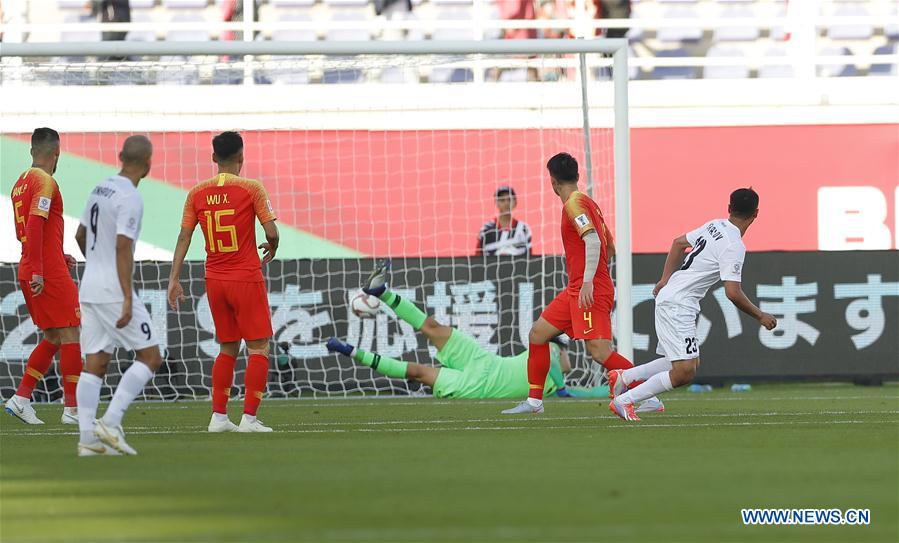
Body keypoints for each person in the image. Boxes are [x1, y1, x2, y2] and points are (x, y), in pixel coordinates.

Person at [327, 259, 664, 412]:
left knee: (417, 371)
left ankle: (350, 350)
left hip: (478, 387)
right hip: (484, 360)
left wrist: (564, 390)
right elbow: (555, 355)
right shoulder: (543, 360)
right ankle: (381, 291)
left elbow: (581, 388)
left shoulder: (557, 386)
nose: (564, 354)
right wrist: (559, 355)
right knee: (432, 327)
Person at [608, 188, 778, 421]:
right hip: (679, 304)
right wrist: (760, 316)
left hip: (675, 299)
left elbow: (678, 243)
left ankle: (625, 378)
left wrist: (665, 279)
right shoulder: (734, 245)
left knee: (680, 360)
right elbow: (732, 292)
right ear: (756, 214)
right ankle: (624, 400)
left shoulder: (714, 225)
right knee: (685, 371)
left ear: (729, 208)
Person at [502, 152, 635, 415]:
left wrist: (590, 281)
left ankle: (647, 391)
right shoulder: (589, 203)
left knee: (598, 351)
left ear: (552, 181)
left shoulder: (574, 205)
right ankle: (534, 402)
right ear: (576, 175)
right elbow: (610, 245)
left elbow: (595, 241)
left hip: (588, 289)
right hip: (578, 288)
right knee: (538, 335)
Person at [167, 131, 280, 433]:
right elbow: (270, 232)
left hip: (214, 279)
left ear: (214, 158)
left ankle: (218, 417)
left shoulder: (196, 193)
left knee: (227, 348)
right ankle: (249, 419)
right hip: (245, 276)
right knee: (258, 348)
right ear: (241, 157)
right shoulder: (251, 188)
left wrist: (174, 279)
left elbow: (184, 236)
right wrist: (274, 244)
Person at [73, 135, 165, 456]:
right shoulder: (130, 196)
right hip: (113, 289)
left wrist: (96, 266)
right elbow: (123, 246)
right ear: (148, 165)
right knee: (151, 356)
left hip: (90, 286)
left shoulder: (99, 188)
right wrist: (127, 296)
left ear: (120, 156)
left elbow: (80, 234)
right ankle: (110, 423)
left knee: (95, 363)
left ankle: (87, 439)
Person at [5, 128, 82, 426]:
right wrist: (42, 268)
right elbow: (35, 225)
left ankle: (21, 398)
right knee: (72, 332)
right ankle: (73, 410)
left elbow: (25, 232)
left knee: (52, 337)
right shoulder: (46, 182)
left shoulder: (19, 184)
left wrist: (56, 255)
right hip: (45, 272)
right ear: (56, 153)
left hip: (33, 265)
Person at [475, 185, 532, 256]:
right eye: (502, 200)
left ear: (515, 202)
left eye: (509, 199)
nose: (506, 203)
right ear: (496, 203)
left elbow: (530, 258)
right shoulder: (486, 229)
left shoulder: (524, 229)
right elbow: (477, 257)